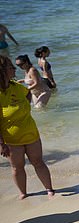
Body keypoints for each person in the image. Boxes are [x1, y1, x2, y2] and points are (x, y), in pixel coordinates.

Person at [0, 56, 55, 200]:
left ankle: (49, 189)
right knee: (17, 167)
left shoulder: (17, 87)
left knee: (38, 162)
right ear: (2, 71)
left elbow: (28, 96)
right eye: (10, 67)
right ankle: (23, 193)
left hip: (31, 133)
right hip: (11, 139)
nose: (13, 69)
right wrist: (1, 144)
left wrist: (22, 113)